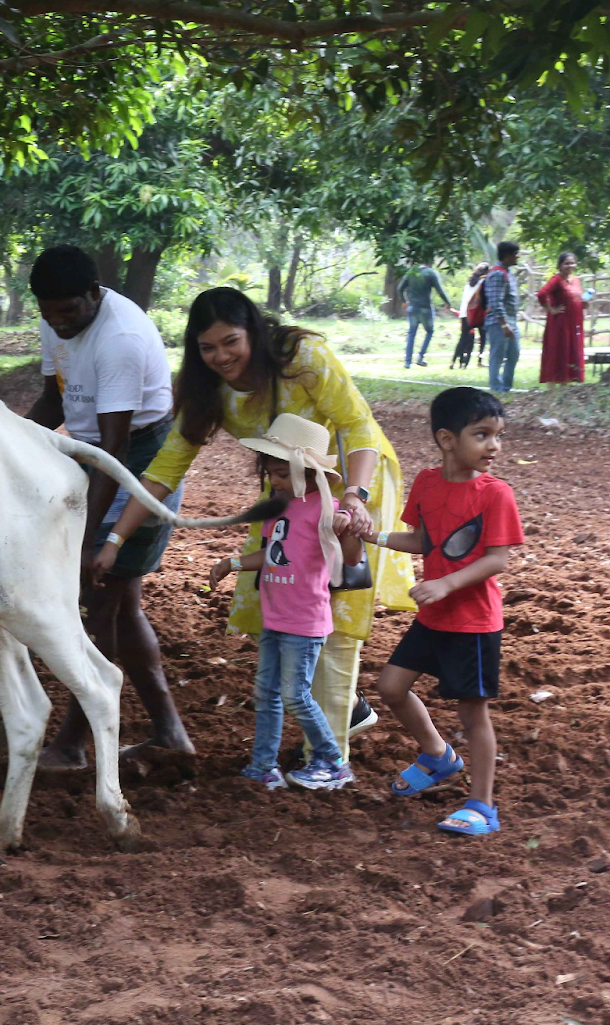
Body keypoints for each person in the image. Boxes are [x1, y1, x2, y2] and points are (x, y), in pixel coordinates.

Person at [95, 287, 417, 769]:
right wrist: (114, 539)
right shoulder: (208, 389)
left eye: (231, 342)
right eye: (208, 348)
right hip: (289, 494)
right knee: (287, 601)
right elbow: (165, 469)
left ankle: (326, 763)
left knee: (334, 610)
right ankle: (343, 712)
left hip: (351, 483)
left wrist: (355, 496)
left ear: (254, 332)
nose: (221, 357)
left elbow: (357, 424)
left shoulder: (301, 357)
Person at [24, 245, 187, 769]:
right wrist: (8, 440)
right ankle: (169, 732)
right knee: (119, 604)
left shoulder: (119, 338)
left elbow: (113, 453)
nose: (58, 325)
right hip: (91, 452)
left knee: (100, 600)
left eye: (68, 312)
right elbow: (55, 400)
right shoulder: (60, 318)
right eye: (48, 315)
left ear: (95, 295)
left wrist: (88, 540)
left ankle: (72, 740)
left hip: (139, 458)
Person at [370, 387, 522, 836]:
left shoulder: (496, 494)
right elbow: (422, 540)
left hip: (473, 621)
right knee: (391, 687)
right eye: (482, 434)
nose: (494, 445)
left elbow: (498, 559)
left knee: (473, 714)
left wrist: (445, 583)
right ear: (446, 438)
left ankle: (482, 805)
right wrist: (373, 536)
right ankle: (438, 755)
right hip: (435, 616)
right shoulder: (426, 483)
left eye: (498, 435)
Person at [209, 413, 365, 790]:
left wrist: (349, 528)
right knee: (267, 694)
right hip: (275, 617)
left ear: (309, 475)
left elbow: (352, 558)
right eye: (271, 474)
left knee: (296, 695)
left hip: (305, 621)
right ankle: (263, 764)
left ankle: (332, 761)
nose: (274, 482)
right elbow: (274, 554)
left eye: (281, 474)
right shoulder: (277, 508)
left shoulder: (325, 510)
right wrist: (233, 564)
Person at [536, 251, 586, 384]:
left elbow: (576, 299)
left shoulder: (576, 280)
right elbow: (541, 294)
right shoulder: (556, 280)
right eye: (566, 263)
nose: (570, 266)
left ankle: (567, 382)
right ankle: (554, 384)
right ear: (560, 265)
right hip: (560, 323)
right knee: (560, 350)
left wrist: (584, 303)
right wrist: (551, 310)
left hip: (575, 322)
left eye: (572, 263)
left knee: (572, 350)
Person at [398, 262, 456, 368]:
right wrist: (448, 303)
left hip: (412, 307)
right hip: (425, 308)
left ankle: (407, 362)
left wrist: (404, 301)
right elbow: (440, 290)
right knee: (429, 331)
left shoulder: (411, 272)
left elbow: (400, 288)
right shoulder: (431, 273)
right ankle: (420, 357)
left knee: (411, 333)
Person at [484, 242, 522, 393]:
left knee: (514, 353)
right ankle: (496, 388)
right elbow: (495, 301)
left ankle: (506, 387)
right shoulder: (497, 274)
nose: (517, 257)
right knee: (497, 356)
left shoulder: (508, 272)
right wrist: (504, 325)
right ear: (507, 256)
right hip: (498, 322)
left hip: (511, 320)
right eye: (515, 254)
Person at [451, 262, 490, 370]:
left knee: (463, 338)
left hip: (464, 313)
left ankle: (453, 361)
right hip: (478, 314)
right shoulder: (484, 281)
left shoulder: (469, 283)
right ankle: (480, 360)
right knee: (483, 337)